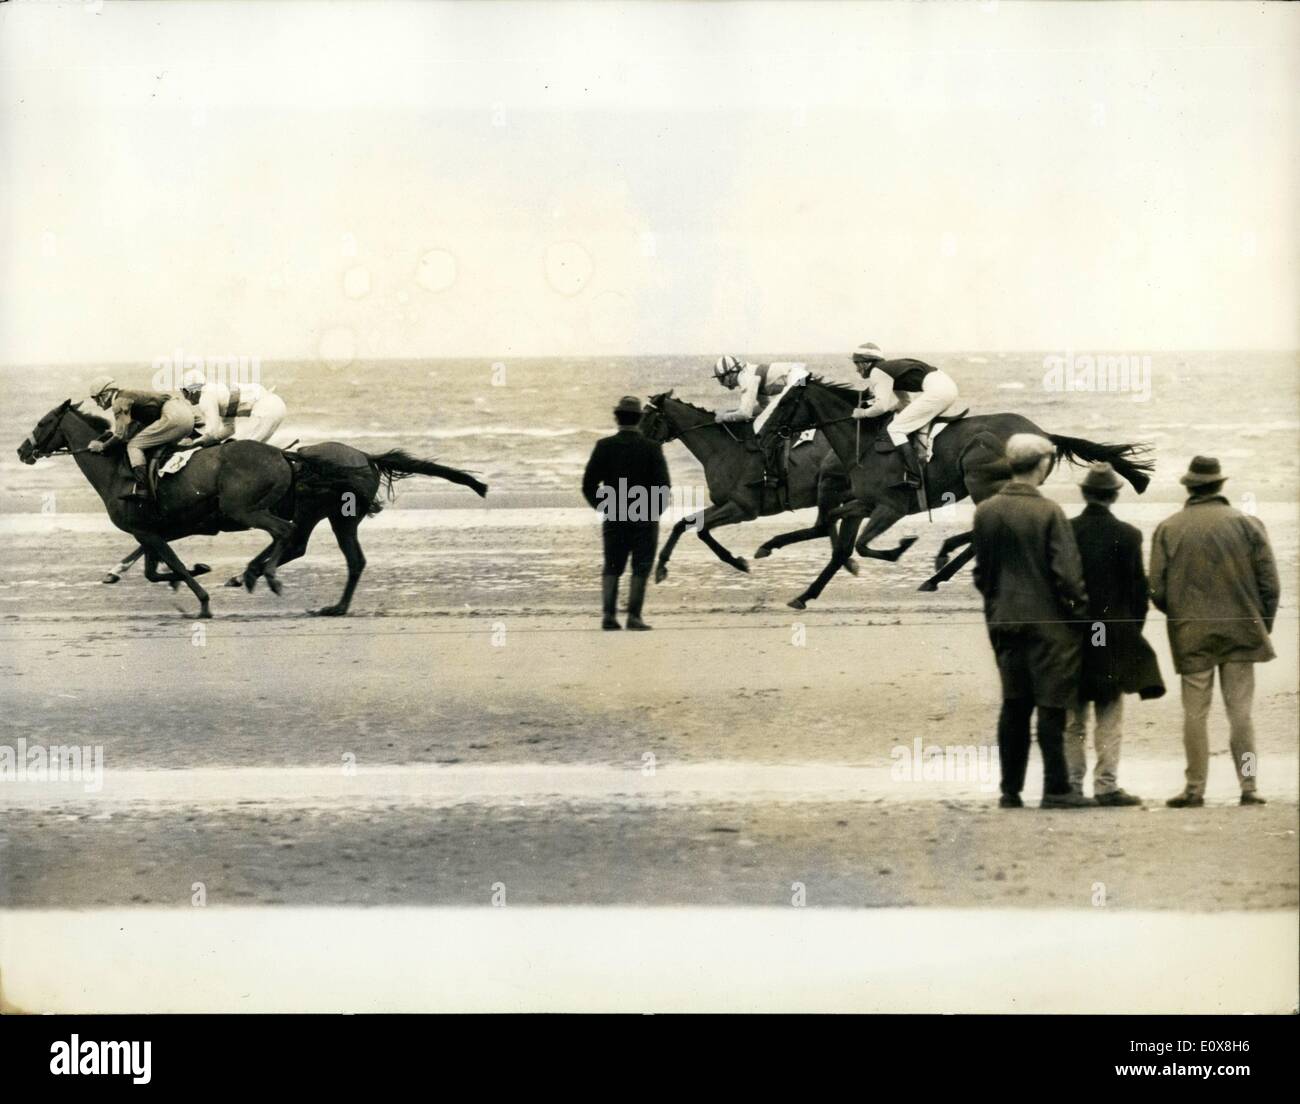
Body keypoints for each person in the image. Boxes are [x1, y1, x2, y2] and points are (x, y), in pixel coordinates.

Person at [972, 433, 1095, 809]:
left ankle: (1010, 790)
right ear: (1041, 464)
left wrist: (996, 607)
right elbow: (1068, 577)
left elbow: (982, 574)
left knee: (1014, 705)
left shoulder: (986, 510)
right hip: (1049, 625)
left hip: (1004, 620)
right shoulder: (1049, 512)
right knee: (1051, 707)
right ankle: (1055, 789)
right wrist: (1080, 617)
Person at [1150, 456, 1280, 808]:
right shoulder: (1248, 524)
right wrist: (1259, 625)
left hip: (1191, 634)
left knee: (1195, 714)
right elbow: (1270, 586)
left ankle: (1194, 788)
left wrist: (1180, 615)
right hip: (1242, 631)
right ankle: (1249, 785)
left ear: (1189, 487)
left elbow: (1157, 590)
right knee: (1241, 715)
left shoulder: (1168, 527)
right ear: (1220, 485)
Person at [1065, 462, 1166, 806]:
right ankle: (1106, 785)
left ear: (1084, 492)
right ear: (1113, 495)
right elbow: (1139, 595)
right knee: (1109, 713)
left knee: (1073, 718)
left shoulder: (1066, 530)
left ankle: (1072, 785)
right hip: (1112, 634)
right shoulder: (1129, 535)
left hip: (1074, 634)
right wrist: (1129, 631)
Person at [582, 396, 671, 631]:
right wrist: (654, 511)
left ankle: (609, 617)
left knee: (612, 566)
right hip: (645, 514)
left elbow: (588, 485)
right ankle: (634, 617)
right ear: (640, 418)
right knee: (641, 567)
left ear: (617, 417)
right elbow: (663, 487)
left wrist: (604, 507)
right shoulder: (652, 448)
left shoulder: (604, 446)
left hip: (615, 514)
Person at [849, 342, 960, 489]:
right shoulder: (888, 370)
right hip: (946, 387)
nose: (857, 369)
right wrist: (892, 409)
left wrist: (862, 413)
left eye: (857, 364)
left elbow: (881, 406)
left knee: (895, 429)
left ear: (866, 362)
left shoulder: (878, 372)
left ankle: (915, 476)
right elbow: (905, 401)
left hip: (939, 390)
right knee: (903, 423)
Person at [84, 375, 196, 500]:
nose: (97, 404)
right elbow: (133, 428)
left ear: (106, 394)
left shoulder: (119, 402)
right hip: (185, 412)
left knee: (134, 446)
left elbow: (121, 436)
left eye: (97, 399)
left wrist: (102, 446)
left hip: (173, 415)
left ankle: (142, 488)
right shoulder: (129, 395)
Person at [712, 355, 810, 487]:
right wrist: (729, 412)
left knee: (762, 427)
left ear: (729, 374)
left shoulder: (747, 378)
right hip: (800, 377)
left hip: (798, 379)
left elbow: (745, 414)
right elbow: (763, 407)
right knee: (767, 421)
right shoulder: (750, 374)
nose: (721, 383)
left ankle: (775, 476)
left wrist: (723, 417)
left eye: (720, 379)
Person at [181, 374, 287, 447]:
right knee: (253, 449)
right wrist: (214, 439)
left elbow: (211, 432)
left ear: (192, 391)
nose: (185, 397)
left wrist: (194, 444)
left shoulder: (205, 397)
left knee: (247, 451)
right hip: (275, 406)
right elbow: (229, 429)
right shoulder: (216, 391)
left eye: (184, 392)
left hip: (267, 410)